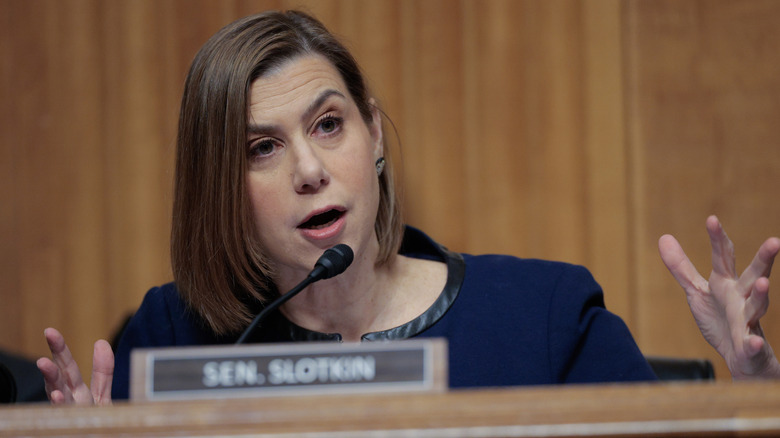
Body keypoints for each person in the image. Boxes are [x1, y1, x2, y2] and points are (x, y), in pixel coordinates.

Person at [36, 10, 780, 405]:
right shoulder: (172, 337)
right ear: (217, 189)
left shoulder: (544, 317)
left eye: (329, 125)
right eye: (260, 148)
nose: (309, 169)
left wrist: (757, 396)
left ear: (374, 134)